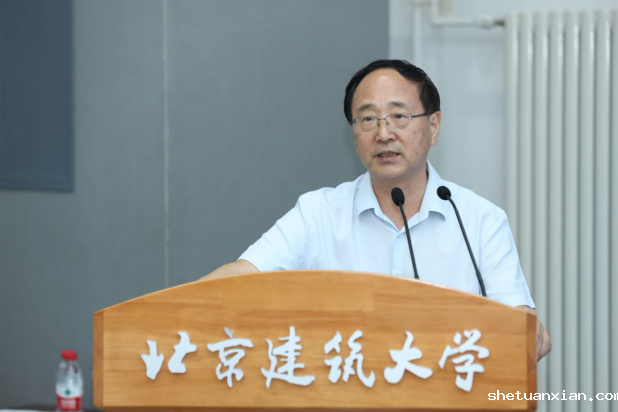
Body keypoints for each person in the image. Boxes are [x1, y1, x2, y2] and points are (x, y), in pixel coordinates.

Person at [199, 59, 551, 361]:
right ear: (354, 134)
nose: (384, 133)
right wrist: (174, 310)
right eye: (368, 119)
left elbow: (520, 323)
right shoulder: (318, 215)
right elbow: (244, 274)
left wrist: (526, 330)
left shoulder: (478, 220)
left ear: (433, 126)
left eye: (399, 116)